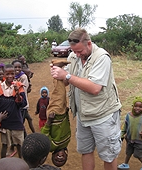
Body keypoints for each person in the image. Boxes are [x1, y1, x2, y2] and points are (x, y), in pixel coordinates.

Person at [50, 28, 122, 170]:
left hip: (103, 116)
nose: (76, 54)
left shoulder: (102, 57)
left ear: (89, 44)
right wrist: (58, 73)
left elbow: (95, 88)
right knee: (86, 151)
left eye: (79, 51)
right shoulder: (73, 56)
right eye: (73, 51)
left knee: (109, 155)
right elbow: (66, 82)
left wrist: (66, 76)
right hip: (83, 116)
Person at [0, 64, 27, 158]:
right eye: (7, 74)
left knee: (19, 144)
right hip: (4, 122)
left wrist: (18, 93)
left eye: (12, 73)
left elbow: (23, 104)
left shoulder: (19, 86)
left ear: (15, 74)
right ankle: (3, 163)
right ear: (3, 75)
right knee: (5, 145)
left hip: (16, 120)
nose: (10, 76)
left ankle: (21, 162)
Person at [41, 59, 71, 167]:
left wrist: (49, 121)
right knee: (60, 91)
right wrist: (66, 113)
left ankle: (56, 68)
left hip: (54, 116)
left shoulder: (51, 147)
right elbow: (66, 127)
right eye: (62, 160)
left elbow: (44, 134)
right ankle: (58, 69)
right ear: (66, 156)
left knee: (59, 91)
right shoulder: (66, 142)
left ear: (53, 155)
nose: (60, 158)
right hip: (62, 114)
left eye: (57, 159)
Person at [117, 96, 142, 170]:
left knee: (137, 154)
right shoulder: (128, 116)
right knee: (128, 152)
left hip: (139, 141)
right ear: (133, 106)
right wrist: (122, 135)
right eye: (136, 106)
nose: (137, 108)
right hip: (129, 139)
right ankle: (126, 164)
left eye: (140, 107)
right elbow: (125, 126)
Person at [12, 60, 35, 136]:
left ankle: (25, 138)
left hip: (22, 103)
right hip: (15, 104)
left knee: (20, 122)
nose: (17, 69)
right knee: (23, 120)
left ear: (22, 68)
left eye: (19, 67)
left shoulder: (23, 77)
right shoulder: (11, 76)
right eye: (15, 67)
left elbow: (23, 90)